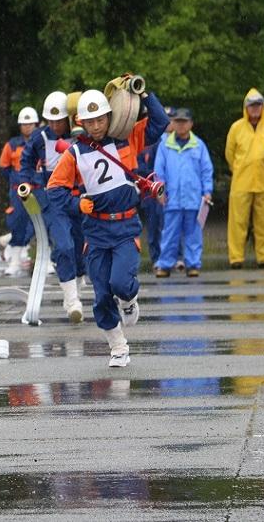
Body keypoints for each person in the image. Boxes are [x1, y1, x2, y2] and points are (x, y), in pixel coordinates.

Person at [47, 84, 169, 367]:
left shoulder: (128, 138)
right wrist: (77, 205)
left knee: (120, 284)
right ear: (81, 123)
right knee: (101, 294)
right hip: (96, 230)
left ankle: (129, 299)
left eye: (100, 119)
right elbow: (54, 189)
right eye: (89, 121)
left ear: (109, 117)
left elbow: (160, 122)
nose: (96, 125)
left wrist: (146, 94)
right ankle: (118, 347)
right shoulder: (75, 153)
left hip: (125, 226)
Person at [19, 91, 87, 322]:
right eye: (51, 121)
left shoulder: (80, 134)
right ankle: (71, 301)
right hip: (54, 198)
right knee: (64, 246)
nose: (56, 125)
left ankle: (76, 283)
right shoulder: (39, 137)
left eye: (60, 120)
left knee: (80, 248)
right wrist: (26, 182)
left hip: (79, 198)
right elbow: (26, 161)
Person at [153, 108, 214, 277]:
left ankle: (193, 264)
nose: (180, 125)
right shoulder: (165, 145)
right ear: (173, 123)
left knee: (193, 234)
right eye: (178, 122)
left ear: (191, 124)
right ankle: (164, 264)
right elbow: (159, 171)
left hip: (194, 198)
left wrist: (207, 191)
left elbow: (206, 170)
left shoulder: (199, 145)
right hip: (172, 198)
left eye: (184, 122)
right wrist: (159, 189)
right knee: (169, 233)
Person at [224, 89, 264, 268]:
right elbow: (229, 154)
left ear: (263, 107)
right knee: (238, 222)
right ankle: (236, 258)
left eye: (258, 105)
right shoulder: (236, 127)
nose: (255, 109)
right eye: (251, 105)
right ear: (246, 107)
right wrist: (238, 168)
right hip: (241, 181)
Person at [0, 106, 38, 276]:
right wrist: (18, 181)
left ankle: (49, 261)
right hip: (19, 192)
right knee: (18, 223)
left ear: (36, 124)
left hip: (38, 189)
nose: (27, 127)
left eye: (30, 124)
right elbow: (4, 167)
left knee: (43, 224)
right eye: (24, 124)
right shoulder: (12, 145)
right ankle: (14, 261)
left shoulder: (41, 142)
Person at [137, 107, 176, 269]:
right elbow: (138, 166)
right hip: (149, 192)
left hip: (168, 190)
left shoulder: (173, 142)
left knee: (170, 226)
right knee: (153, 228)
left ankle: (172, 257)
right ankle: (156, 259)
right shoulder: (146, 142)